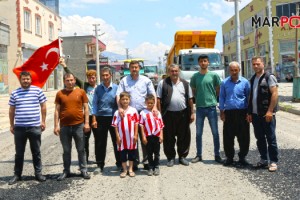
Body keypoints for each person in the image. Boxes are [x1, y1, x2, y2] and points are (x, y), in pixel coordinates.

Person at [116, 60, 157, 170]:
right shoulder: (124, 81)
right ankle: (134, 162)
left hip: (144, 113)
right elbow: (118, 95)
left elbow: (153, 95)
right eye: (132, 67)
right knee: (132, 138)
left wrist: (154, 108)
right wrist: (120, 107)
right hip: (130, 114)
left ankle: (147, 161)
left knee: (145, 138)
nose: (134, 69)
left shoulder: (146, 80)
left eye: (136, 67)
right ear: (129, 69)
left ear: (140, 69)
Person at [8, 71, 47, 185]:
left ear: (31, 80)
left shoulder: (38, 91)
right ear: (20, 80)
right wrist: (11, 124)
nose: (25, 81)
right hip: (19, 128)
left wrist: (43, 121)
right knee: (19, 153)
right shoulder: (15, 93)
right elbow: (11, 110)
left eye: (27, 79)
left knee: (36, 152)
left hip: (34, 127)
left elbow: (43, 106)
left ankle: (38, 174)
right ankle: (17, 175)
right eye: (23, 79)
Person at [59, 57, 97, 163]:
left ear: (96, 78)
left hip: (96, 117)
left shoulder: (99, 88)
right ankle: (86, 159)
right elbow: (73, 77)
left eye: (93, 78)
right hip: (85, 117)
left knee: (98, 140)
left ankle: (99, 160)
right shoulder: (84, 86)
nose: (91, 80)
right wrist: (64, 66)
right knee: (85, 141)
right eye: (89, 78)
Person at [54, 73, 91, 181]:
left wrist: (87, 123)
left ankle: (83, 169)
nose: (70, 82)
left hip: (79, 125)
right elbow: (57, 110)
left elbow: (86, 108)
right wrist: (56, 125)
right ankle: (66, 171)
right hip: (64, 127)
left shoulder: (81, 92)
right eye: (67, 80)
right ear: (64, 81)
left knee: (81, 149)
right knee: (66, 150)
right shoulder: (60, 93)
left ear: (75, 80)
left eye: (71, 80)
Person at [156, 64, 194, 167]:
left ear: (179, 71)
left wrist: (192, 113)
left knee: (184, 136)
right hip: (168, 115)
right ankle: (171, 157)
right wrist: (159, 114)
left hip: (183, 114)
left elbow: (190, 99)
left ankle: (182, 157)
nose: (174, 73)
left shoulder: (185, 84)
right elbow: (158, 99)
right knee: (169, 137)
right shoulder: (163, 83)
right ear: (169, 72)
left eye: (176, 71)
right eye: (172, 71)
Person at [247, 56, 279, 172]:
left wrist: (270, 111)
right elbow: (251, 97)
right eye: (254, 64)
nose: (256, 66)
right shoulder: (252, 79)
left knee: (271, 139)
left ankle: (273, 161)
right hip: (255, 115)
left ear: (263, 64)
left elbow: (274, 94)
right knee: (260, 138)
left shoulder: (269, 77)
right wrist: (249, 112)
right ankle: (264, 159)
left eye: (258, 64)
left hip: (267, 115)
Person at [190, 54, 223, 164]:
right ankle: (199, 155)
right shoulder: (195, 77)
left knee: (215, 132)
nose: (203, 63)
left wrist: (213, 99)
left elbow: (218, 89)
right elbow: (193, 91)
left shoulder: (214, 76)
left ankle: (217, 154)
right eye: (201, 61)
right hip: (199, 108)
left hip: (211, 108)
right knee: (198, 133)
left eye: (205, 61)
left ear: (208, 62)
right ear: (198, 63)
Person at [219, 61, 250, 166]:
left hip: (242, 113)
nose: (234, 72)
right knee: (228, 137)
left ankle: (242, 157)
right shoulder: (224, 83)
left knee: (244, 137)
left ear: (239, 70)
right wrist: (222, 111)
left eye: (235, 70)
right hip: (229, 113)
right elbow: (222, 97)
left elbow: (248, 98)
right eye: (232, 70)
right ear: (229, 71)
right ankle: (229, 158)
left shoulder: (245, 82)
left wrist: (249, 113)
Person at [92, 67, 121, 174]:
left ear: (111, 75)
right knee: (100, 142)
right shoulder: (98, 89)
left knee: (117, 141)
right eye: (103, 75)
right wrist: (94, 118)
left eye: (106, 75)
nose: (105, 77)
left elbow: (120, 104)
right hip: (101, 118)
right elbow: (94, 104)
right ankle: (100, 165)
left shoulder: (117, 88)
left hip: (114, 118)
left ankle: (119, 163)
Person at [111, 92, 139, 178]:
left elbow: (136, 123)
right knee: (122, 155)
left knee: (131, 154)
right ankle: (124, 170)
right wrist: (117, 136)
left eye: (127, 99)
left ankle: (130, 169)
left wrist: (135, 134)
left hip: (131, 137)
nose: (125, 101)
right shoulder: (117, 112)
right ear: (120, 101)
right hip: (122, 138)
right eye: (123, 99)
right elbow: (115, 125)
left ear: (129, 100)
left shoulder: (133, 110)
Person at [140, 94, 164, 176]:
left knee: (157, 152)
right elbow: (142, 125)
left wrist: (161, 135)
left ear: (154, 103)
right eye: (148, 103)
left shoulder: (157, 113)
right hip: (148, 136)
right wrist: (143, 136)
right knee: (149, 152)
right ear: (145, 103)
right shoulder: (143, 113)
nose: (150, 105)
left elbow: (161, 125)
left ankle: (156, 166)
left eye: (152, 103)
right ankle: (150, 167)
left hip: (156, 135)